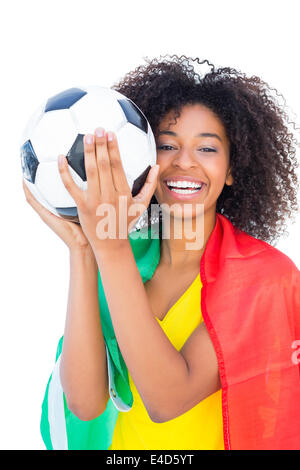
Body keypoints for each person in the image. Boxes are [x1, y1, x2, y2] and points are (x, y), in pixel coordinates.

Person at [23, 55, 300, 450]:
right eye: (168, 145)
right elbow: (84, 404)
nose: (184, 162)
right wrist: (84, 251)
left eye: (207, 149)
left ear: (233, 169)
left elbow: (167, 399)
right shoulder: (123, 258)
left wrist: (111, 249)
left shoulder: (266, 277)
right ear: (144, 158)